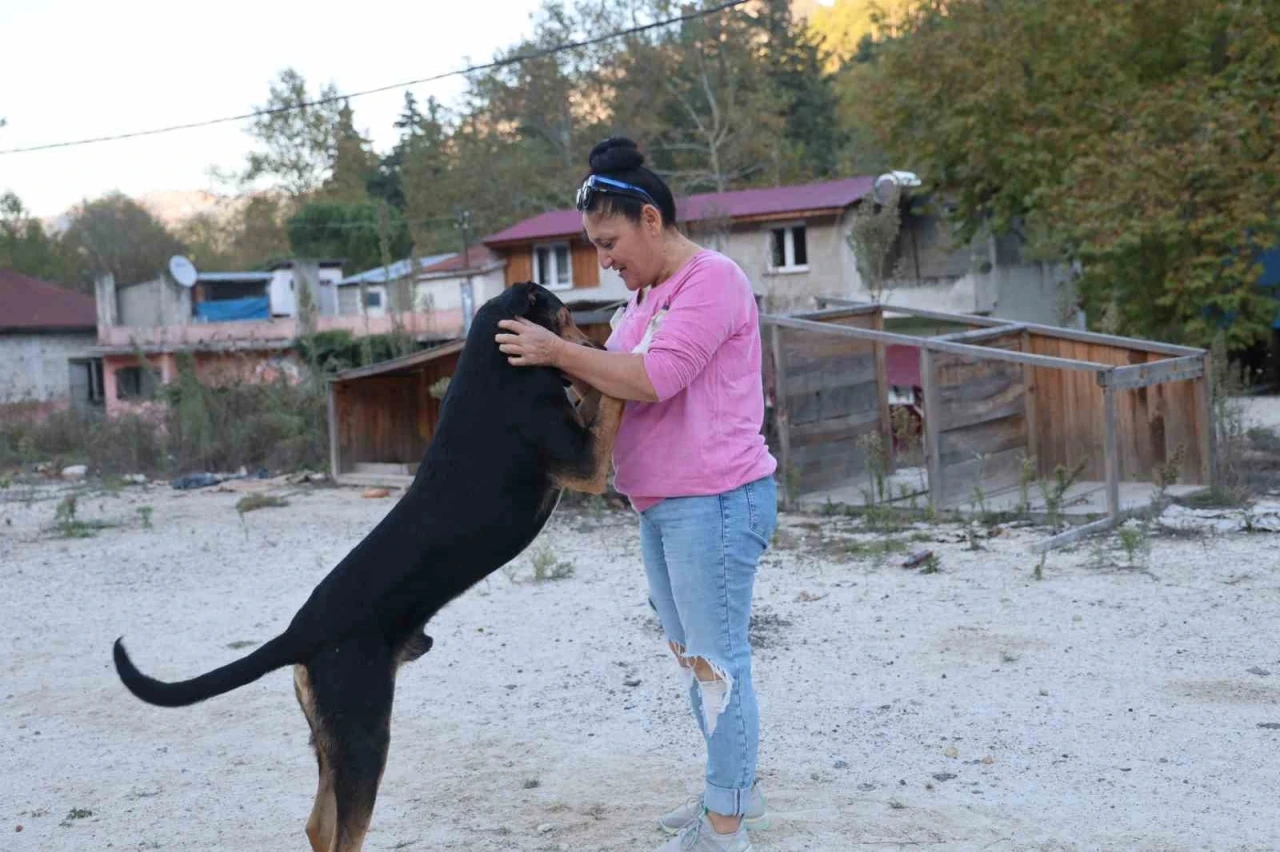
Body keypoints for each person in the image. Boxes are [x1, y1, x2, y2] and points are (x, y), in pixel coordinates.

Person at [494, 137, 778, 852]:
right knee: (694, 657)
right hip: (663, 505)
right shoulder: (646, 297)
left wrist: (557, 351)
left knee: (718, 661)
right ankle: (729, 792)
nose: (606, 259)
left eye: (610, 241)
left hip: (714, 502)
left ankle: (727, 826)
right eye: (595, 246)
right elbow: (605, 375)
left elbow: (652, 379)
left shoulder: (713, 282)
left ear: (650, 220)